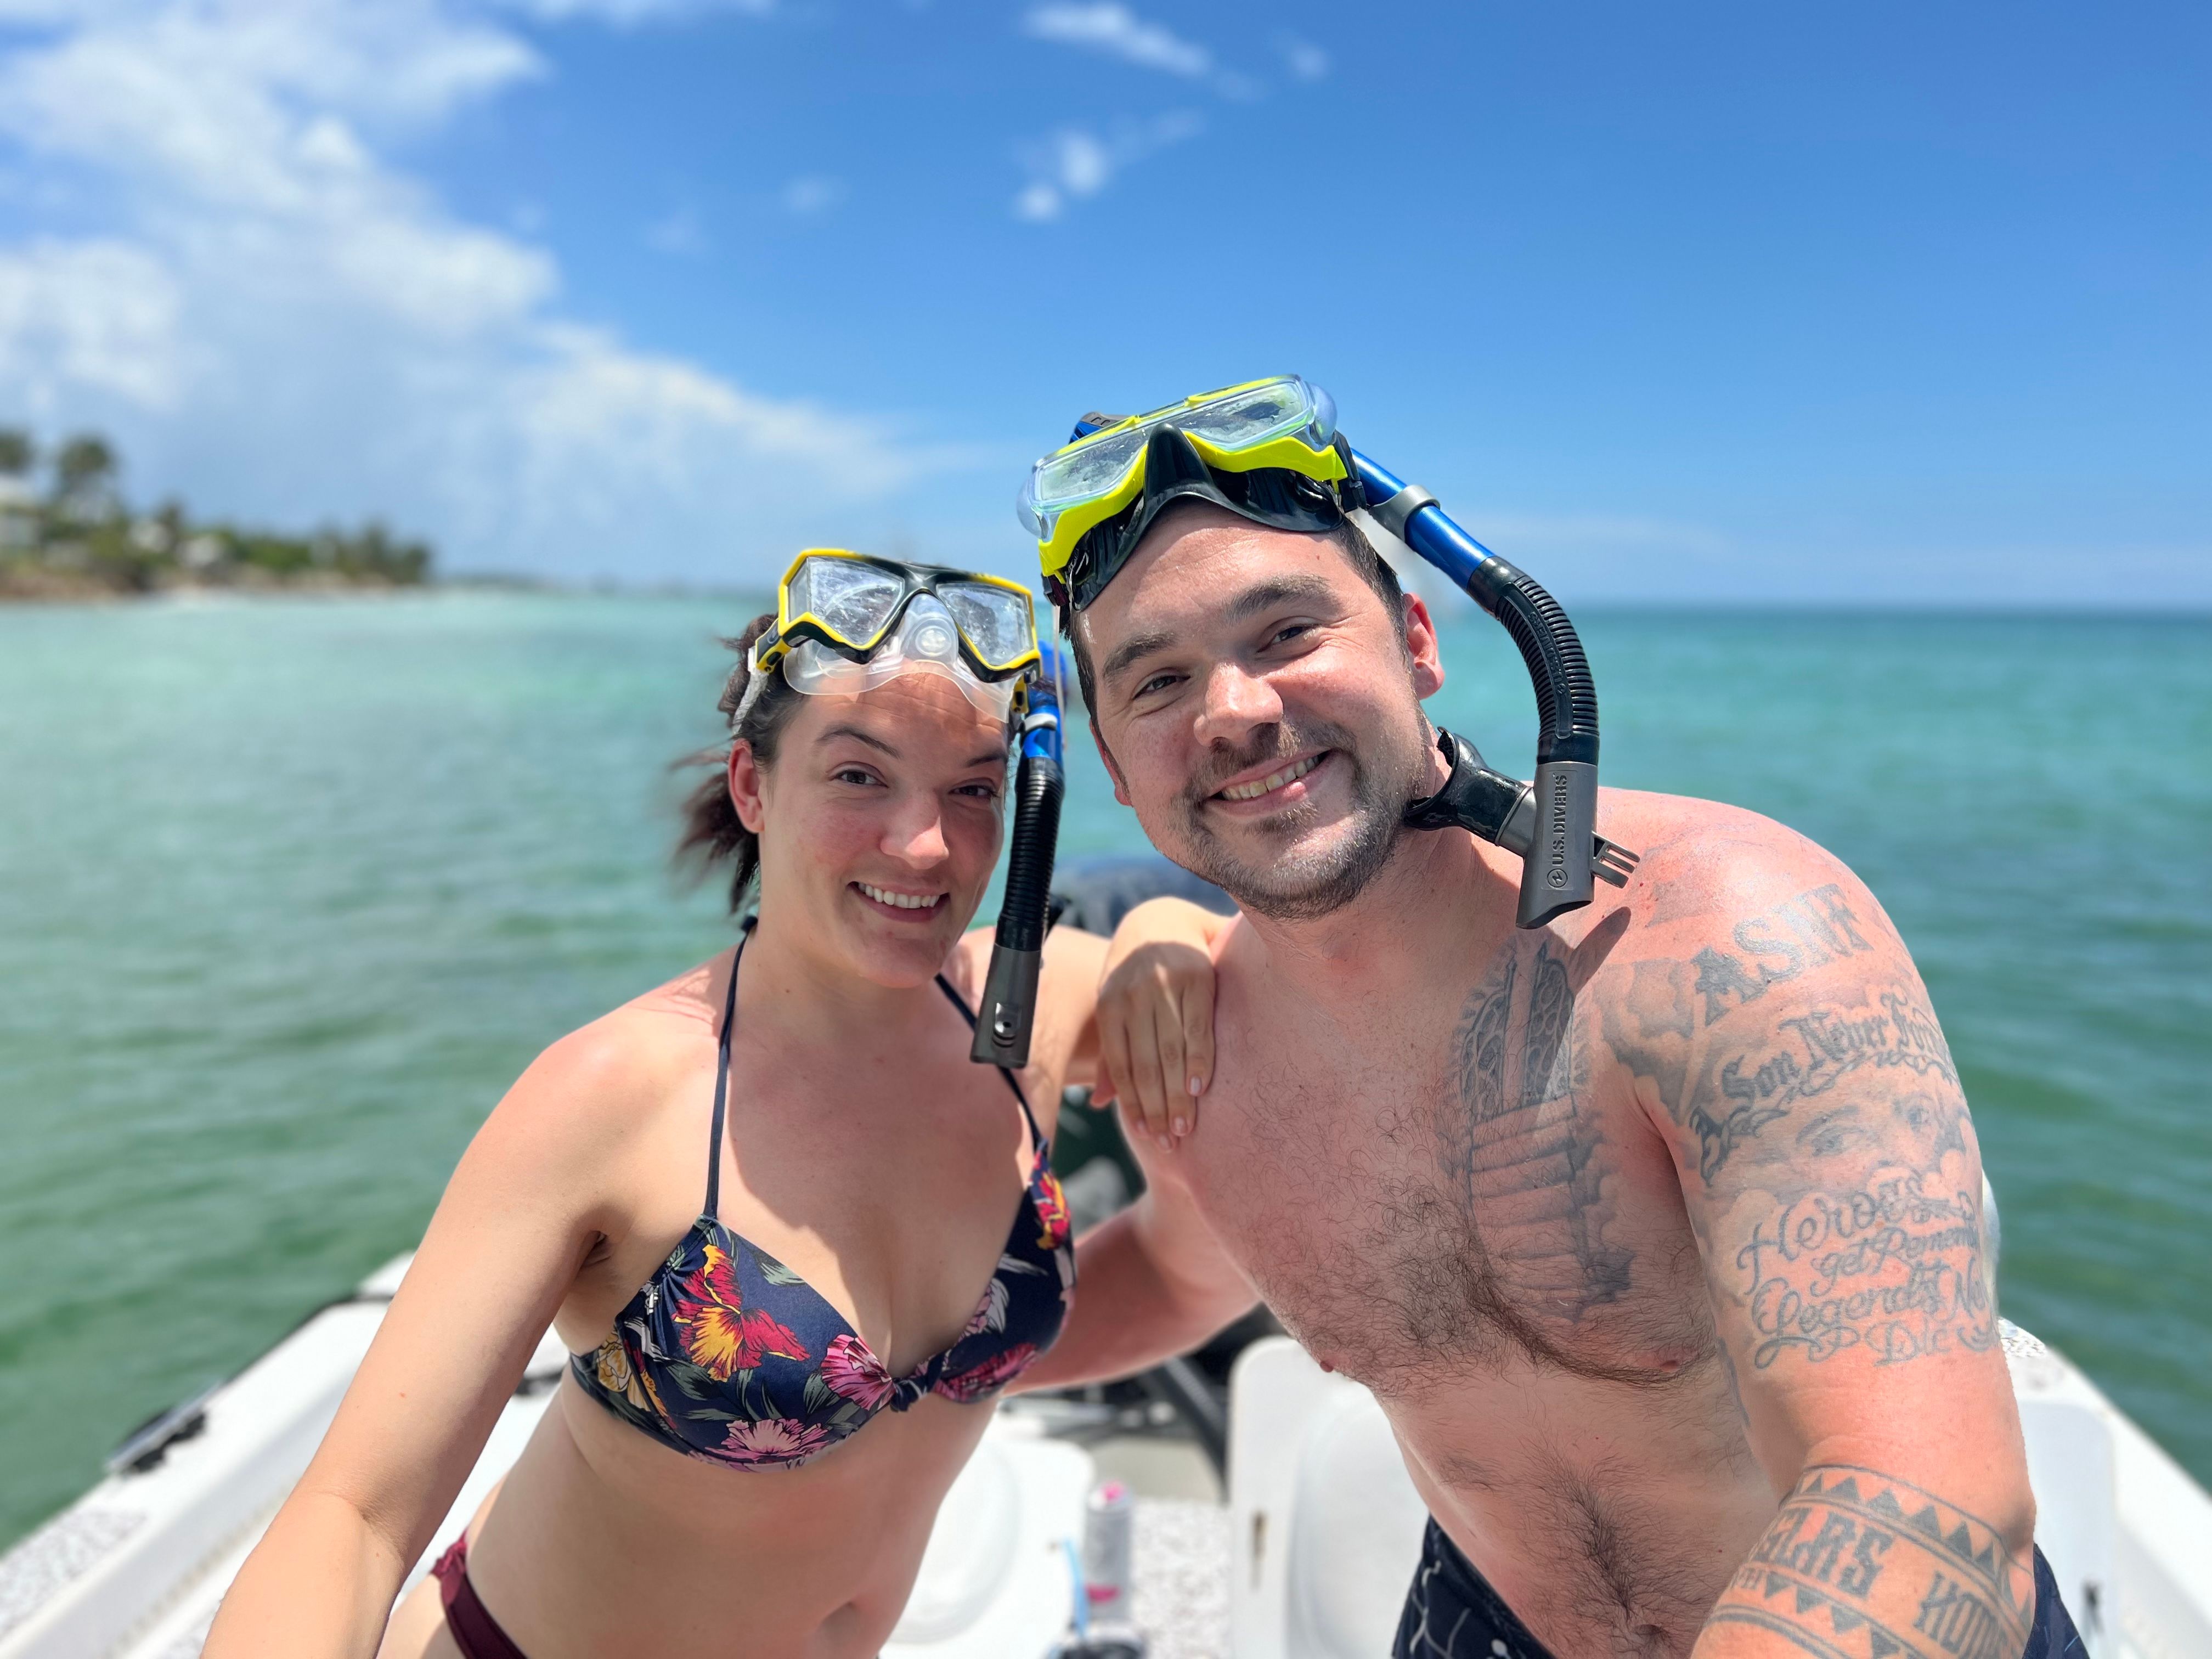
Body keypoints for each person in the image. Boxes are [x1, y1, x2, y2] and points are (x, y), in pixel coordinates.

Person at [1015, 384, 2085, 1659]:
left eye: (1287, 631)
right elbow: (1176, 1276)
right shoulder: (1208, 1058)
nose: (1235, 710)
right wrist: (896, 1379)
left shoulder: (1722, 939)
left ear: (1417, 641)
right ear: (1115, 766)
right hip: (1489, 1615)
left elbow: (1925, 1504)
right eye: (1158, 680)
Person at [204, 552, 1218, 1659]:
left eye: (974, 790)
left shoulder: (1030, 1011)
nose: (926, 845)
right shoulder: (617, 1097)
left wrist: (1162, 929)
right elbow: (351, 1519)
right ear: (753, 787)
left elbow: (1198, 1210)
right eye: (859, 776)